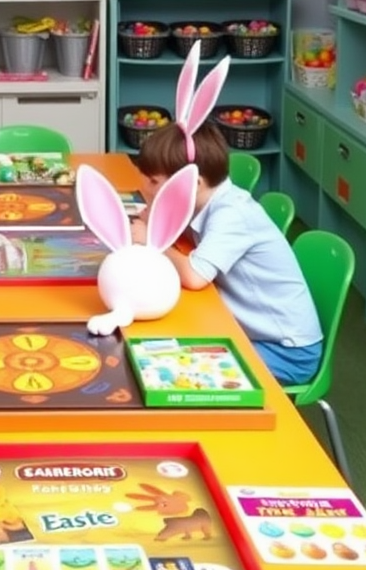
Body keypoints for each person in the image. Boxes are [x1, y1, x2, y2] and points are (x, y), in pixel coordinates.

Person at [132, 121, 322, 384]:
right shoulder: (204, 199)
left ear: (193, 184)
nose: (145, 188)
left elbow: (195, 276)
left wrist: (152, 241)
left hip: (286, 350)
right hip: (255, 331)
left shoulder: (232, 213)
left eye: (154, 181)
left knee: (173, 367)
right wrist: (159, 216)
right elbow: (183, 234)